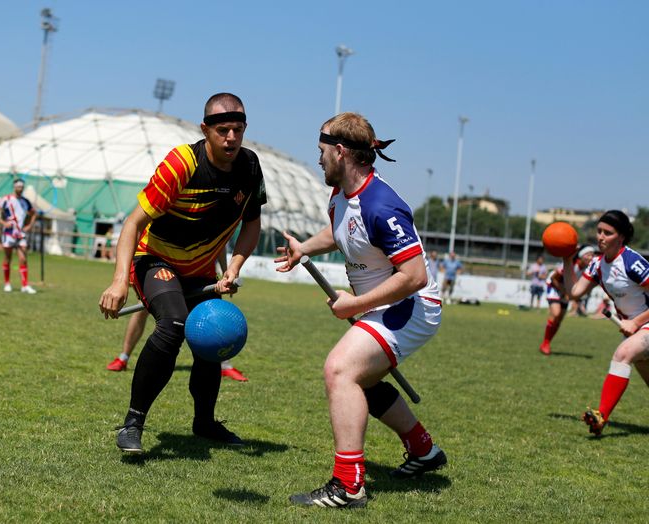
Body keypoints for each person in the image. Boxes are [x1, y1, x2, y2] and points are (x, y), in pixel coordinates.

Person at [276, 112, 445, 509]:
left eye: (321, 152)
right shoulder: (340, 195)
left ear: (340, 151)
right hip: (386, 303)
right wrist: (304, 247)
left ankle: (348, 486)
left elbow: (416, 275)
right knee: (363, 382)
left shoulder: (382, 205)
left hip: (413, 306)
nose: (318, 160)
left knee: (340, 370)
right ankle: (424, 452)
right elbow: (341, 234)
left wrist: (355, 303)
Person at [98, 93, 266, 454]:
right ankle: (133, 423)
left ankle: (204, 422)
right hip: (154, 259)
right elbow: (132, 224)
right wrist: (118, 281)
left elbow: (252, 225)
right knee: (173, 323)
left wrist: (233, 267)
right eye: (223, 130)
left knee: (212, 334)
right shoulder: (181, 164)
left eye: (238, 129)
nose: (231, 138)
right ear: (205, 129)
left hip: (202, 269)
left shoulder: (250, 167)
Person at [562, 210, 649, 436]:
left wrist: (636, 322)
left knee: (622, 355)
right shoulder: (597, 264)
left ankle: (600, 417)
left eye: (607, 233)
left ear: (621, 237)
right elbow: (573, 293)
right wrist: (566, 258)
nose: (600, 236)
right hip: (635, 331)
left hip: (643, 325)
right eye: (599, 231)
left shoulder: (633, 262)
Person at [107, 248, 249, 382]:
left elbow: (220, 243)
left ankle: (224, 364)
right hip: (163, 262)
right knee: (143, 309)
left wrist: (226, 271)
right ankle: (123, 357)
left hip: (199, 269)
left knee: (210, 313)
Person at [539, 246, 595, 355]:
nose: (591, 257)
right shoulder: (571, 265)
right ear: (580, 256)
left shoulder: (587, 269)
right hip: (555, 287)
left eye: (592, 255)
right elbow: (553, 278)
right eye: (588, 255)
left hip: (566, 291)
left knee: (559, 319)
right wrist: (565, 292)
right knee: (556, 313)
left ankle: (547, 343)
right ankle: (545, 343)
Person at [0, 178, 38, 294]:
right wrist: (3, 223)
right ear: (14, 187)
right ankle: (7, 283)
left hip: (20, 233)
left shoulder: (25, 201)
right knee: (8, 257)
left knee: (23, 258)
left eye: (22, 187)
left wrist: (29, 225)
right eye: (18, 187)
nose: (20, 189)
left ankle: (25, 285)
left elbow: (34, 213)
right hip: (9, 233)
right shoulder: (6, 199)